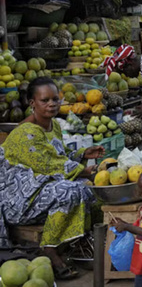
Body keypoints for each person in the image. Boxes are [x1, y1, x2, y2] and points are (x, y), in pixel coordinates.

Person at [0, 77, 105, 279]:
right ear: (32, 103)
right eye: (45, 100)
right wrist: (86, 171)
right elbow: (49, 164)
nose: (51, 104)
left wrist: (83, 154)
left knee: (87, 189)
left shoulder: (53, 125)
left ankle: (78, 241)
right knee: (72, 190)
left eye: (55, 99)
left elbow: (60, 155)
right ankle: (49, 248)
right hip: (18, 200)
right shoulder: (26, 133)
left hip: (39, 191)